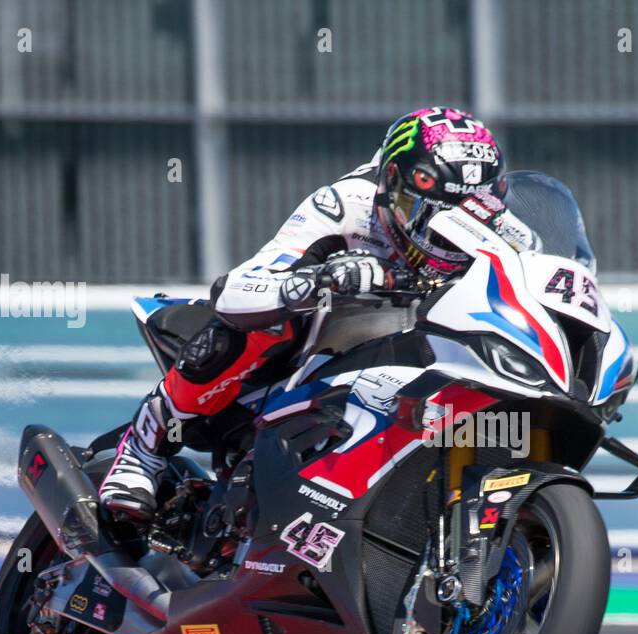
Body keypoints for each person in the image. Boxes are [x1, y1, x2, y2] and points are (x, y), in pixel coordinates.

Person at [99, 106, 528, 520]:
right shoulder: (348, 205)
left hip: (414, 369)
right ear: (393, 182)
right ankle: (144, 448)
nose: (437, 233)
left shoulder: (505, 230)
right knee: (266, 324)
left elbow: (534, 280)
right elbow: (234, 291)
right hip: (305, 363)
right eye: (426, 212)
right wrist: (324, 281)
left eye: (460, 215)